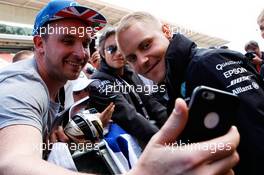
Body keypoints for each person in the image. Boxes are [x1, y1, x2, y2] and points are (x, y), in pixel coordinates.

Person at [0, 1, 239, 175]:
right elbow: (13, 163)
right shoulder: (22, 86)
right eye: (67, 41)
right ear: (39, 44)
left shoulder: (71, 81)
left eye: (85, 42)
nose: (81, 53)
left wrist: (67, 133)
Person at [116, 11, 264, 174]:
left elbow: (257, 133)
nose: (142, 61)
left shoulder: (206, 63)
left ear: (166, 31)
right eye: (132, 58)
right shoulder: (176, 82)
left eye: (146, 45)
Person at [87, 27, 167, 145]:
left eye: (121, 48)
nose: (118, 53)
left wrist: (176, 127)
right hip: (131, 149)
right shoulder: (97, 83)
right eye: (111, 49)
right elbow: (130, 118)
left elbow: (152, 104)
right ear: (102, 53)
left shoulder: (131, 72)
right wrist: (166, 141)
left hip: (150, 139)